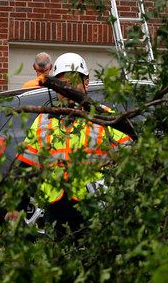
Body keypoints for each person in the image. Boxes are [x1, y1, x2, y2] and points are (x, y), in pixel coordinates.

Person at [16, 52, 133, 234]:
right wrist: (17, 207)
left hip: (94, 212)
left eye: (72, 83)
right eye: (62, 84)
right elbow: (25, 169)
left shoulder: (105, 118)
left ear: (86, 83)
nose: (67, 89)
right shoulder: (42, 122)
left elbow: (132, 161)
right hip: (55, 213)